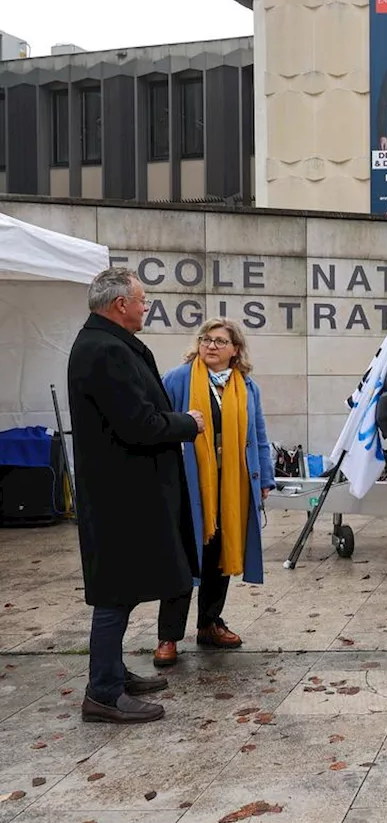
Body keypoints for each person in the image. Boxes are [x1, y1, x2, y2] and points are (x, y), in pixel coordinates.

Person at [66, 267, 204, 724]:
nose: (147, 307)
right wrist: (189, 423)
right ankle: (103, 692)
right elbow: (138, 424)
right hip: (119, 496)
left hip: (124, 491)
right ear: (120, 303)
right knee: (115, 593)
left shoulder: (106, 344)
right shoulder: (104, 351)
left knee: (119, 588)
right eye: (142, 300)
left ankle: (112, 672)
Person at [153, 318, 275, 667]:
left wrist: (264, 478)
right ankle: (168, 636)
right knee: (184, 559)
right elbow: (160, 426)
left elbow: (259, 436)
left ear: (235, 349)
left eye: (220, 341)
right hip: (189, 484)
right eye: (206, 339)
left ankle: (209, 623)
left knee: (220, 556)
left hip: (231, 485)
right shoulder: (178, 379)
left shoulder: (246, 387)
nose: (211, 346)